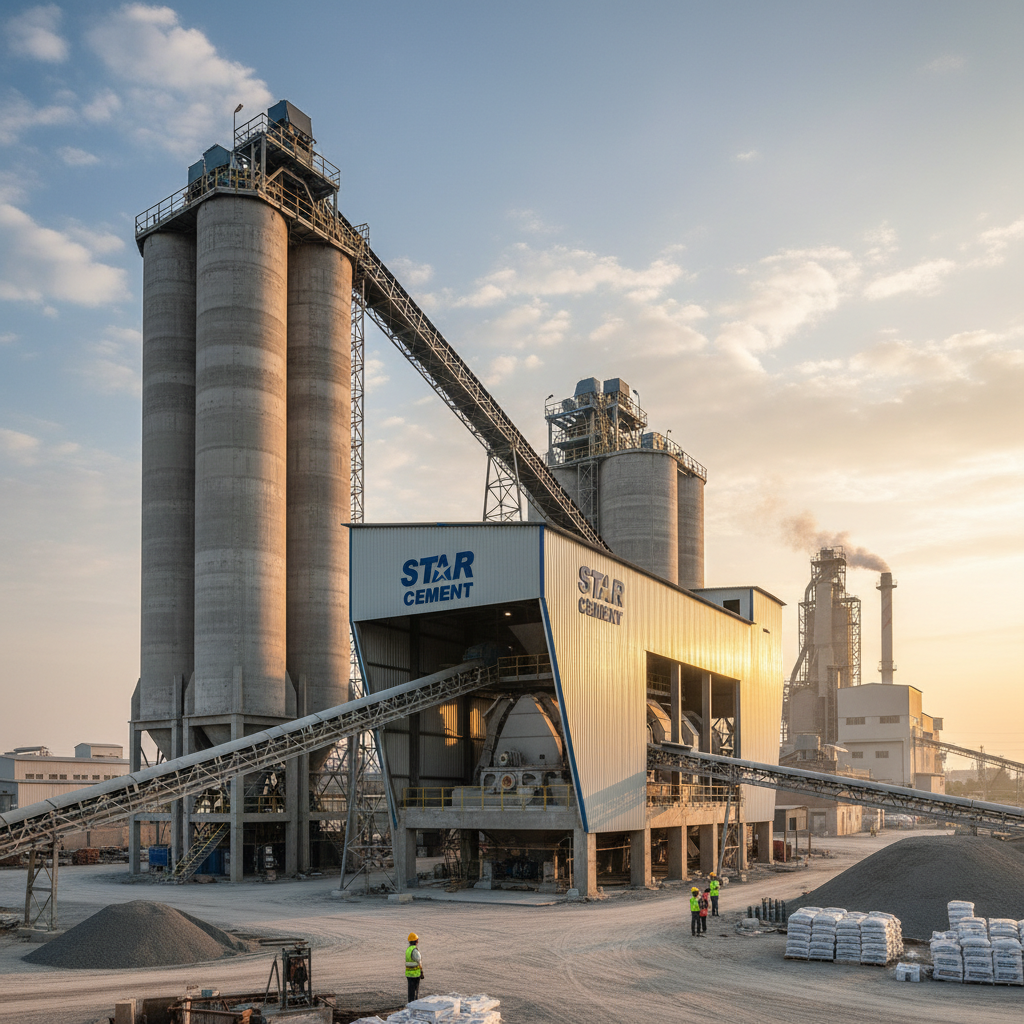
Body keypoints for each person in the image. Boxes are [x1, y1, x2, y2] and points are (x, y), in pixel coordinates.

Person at [405, 932, 423, 1002]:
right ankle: (414, 1006)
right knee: (415, 992)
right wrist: (421, 971)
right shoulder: (415, 950)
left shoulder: (408, 949)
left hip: (408, 974)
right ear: (416, 941)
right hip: (415, 974)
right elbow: (419, 962)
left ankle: (410, 1005)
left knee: (411, 992)